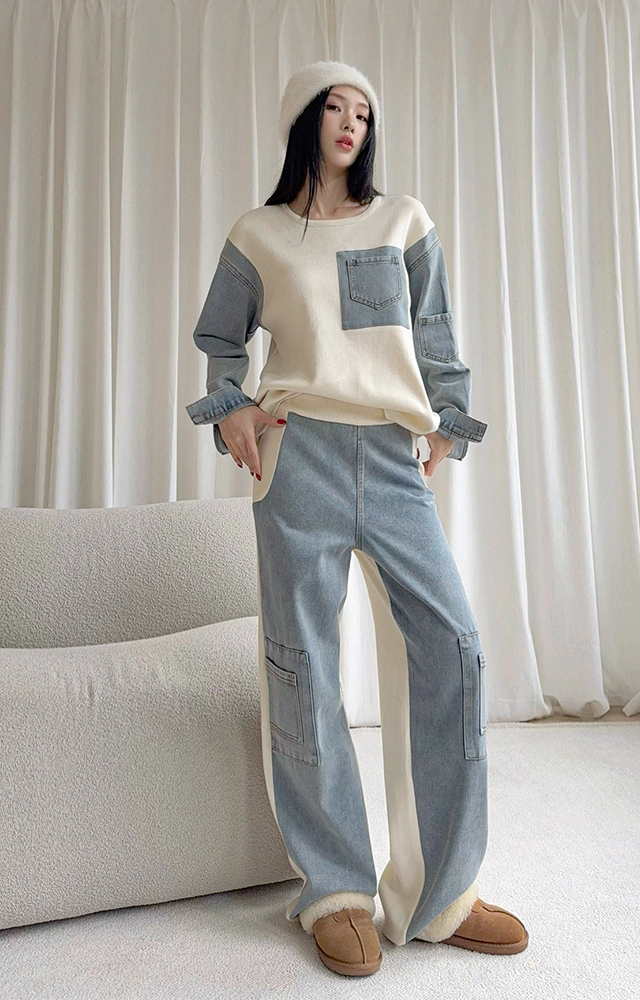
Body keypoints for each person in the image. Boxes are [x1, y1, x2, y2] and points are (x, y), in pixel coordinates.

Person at [185, 60, 528, 977]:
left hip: (392, 454)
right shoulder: (259, 234)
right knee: (302, 666)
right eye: (335, 107)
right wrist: (233, 410)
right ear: (303, 119)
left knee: (452, 644)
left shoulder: (403, 220)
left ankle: (442, 895)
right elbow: (220, 343)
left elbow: (436, 332)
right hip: (299, 456)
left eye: (364, 112)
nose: (351, 123)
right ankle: (334, 889)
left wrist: (449, 423)